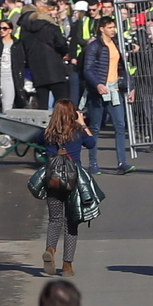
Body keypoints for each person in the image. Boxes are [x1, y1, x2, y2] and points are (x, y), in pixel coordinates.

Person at [37, 99, 101, 277]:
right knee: (71, 222)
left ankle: (50, 249)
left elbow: (35, 139)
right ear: (73, 114)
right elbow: (91, 143)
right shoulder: (78, 132)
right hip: (74, 181)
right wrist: (82, 123)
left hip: (53, 180)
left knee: (54, 219)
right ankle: (67, 265)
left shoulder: (48, 133)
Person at [81, 16, 135, 175]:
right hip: (98, 92)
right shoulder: (94, 47)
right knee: (95, 127)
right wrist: (98, 84)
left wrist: (130, 86)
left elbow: (124, 68)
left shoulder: (116, 45)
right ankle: (93, 163)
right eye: (110, 27)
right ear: (101, 29)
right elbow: (88, 69)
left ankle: (121, 162)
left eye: (114, 27)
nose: (113, 30)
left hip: (115, 90)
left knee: (120, 125)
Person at [19, 0, 71, 108]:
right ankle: (64, 124)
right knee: (63, 103)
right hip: (55, 70)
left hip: (37, 71)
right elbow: (62, 45)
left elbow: (24, 50)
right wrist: (61, 53)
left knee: (42, 104)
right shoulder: (52, 28)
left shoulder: (25, 32)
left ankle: (43, 125)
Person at [0, 20, 27, 112]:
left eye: (5, 28)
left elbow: (21, 61)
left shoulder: (17, 44)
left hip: (10, 76)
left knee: (7, 103)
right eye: (0, 28)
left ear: (10, 30)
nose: (2, 30)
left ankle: (5, 123)